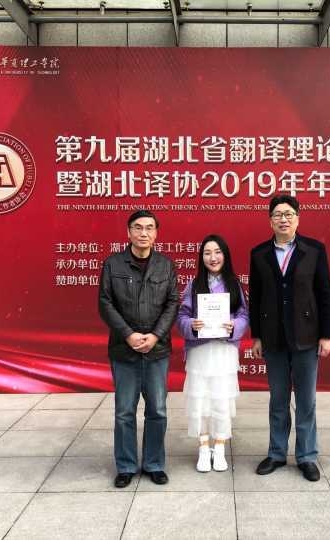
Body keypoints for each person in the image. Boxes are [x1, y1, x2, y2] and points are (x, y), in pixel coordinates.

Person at [249, 195, 330, 482]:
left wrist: (326, 335)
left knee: (306, 400)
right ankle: (276, 453)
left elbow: (324, 294)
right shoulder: (259, 253)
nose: (283, 219)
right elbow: (256, 298)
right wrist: (256, 336)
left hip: (306, 337)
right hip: (272, 339)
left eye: (288, 214)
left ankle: (307, 456)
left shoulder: (314, 250)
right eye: (277, 214)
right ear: (270, 220)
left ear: (298, 217)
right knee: (278, 398)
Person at [98, 209, 179, 488]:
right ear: (128, 232)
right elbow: (105, 303)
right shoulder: (113, 264)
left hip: (157, 351)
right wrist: (129, 334)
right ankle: (126, 466)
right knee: (124, 412)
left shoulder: (166, 266)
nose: (143, 233)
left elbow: (172, 303)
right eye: (138, 227)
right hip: (124, 350)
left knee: (157, 410)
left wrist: (155, 336)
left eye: (149, 228)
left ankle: (154, 464)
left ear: (156, 233)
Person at [177, 235, 249, 473]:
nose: (213, 257)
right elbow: (182, 316)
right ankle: (203, 447)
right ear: (201, 258)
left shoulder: (234, 284)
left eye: (217, 252)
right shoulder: (193, 284)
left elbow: (244, 315)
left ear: (225, 256)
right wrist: (191, 325)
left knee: (221, 400)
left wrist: (235, 326)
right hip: (200, 353)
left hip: (223, 352)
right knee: (200, 401)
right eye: (207, 253)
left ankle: (219, 448)